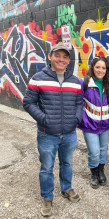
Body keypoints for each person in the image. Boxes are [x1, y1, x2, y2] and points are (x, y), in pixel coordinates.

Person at [23, 44, 83, 217]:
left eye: (65, 57)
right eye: (58, 55)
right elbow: (28, 103)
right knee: (47, 167)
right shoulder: (38, 78)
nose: (61, 60)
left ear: (68, 60)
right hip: (47, 133)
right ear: (50, 56)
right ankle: (47, 196)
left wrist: (76, 119)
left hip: (69, 133)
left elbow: (79, 103)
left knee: (67, 163)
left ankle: (66, 188)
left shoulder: (74, 80)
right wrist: (44, 119)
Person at [77, 56, 109, 189]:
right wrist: (82, 119)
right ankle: (94, 173)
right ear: (92, 68)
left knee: (103, 150)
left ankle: (101, 171)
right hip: (89, 125)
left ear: (106, 70)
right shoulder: (84, 82)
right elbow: (77, 102)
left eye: (103, 68)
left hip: (105, 125)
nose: (100, 70)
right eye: (97, 67)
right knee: (94, 151)